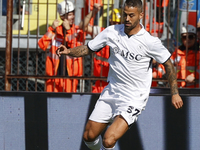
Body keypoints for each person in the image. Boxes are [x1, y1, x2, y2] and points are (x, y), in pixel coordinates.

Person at [56, 0, 183, 149]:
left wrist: (174, 93)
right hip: (112, 91)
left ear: (141, 15)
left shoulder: (150, 41)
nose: (127, 19)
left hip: (134, 97)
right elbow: (89, 48)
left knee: (108, 140)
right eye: (125, 14)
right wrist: (69, 51)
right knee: (88, 136)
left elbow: (168, 65)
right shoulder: (112, 32)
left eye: (131, 15)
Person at [38, 0, 85, 92]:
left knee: (68, 102)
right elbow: (42, 45)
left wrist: (68, 31)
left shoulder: (78, 30)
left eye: (73, 14)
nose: (73, 17)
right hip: (53, 75)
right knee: (51, 102)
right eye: (70, 14)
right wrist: (51, 29)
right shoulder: (55, 31)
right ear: (62, 16)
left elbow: (77, 48)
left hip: (70, 76)